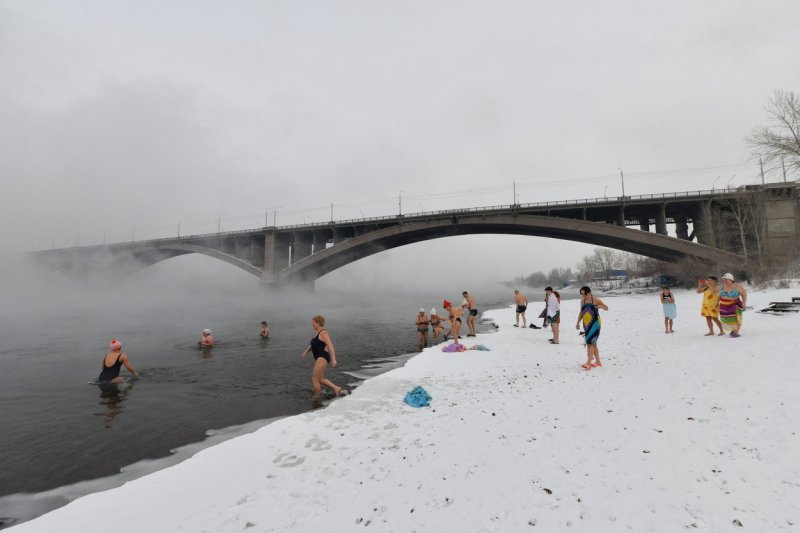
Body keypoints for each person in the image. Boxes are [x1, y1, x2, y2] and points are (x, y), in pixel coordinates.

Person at [300, 315, 344, 397]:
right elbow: (313, 345)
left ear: (318, 323)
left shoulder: (323, 332)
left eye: (313, 323)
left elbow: (330, 345)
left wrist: (334, 359)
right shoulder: (317, 333)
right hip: (319, 357)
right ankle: (337, 388)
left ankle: (317, 398)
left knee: (314, 379)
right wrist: (306, 352)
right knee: (320, 379)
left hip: (322, 357)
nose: (312, 325)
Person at [575, 286, 608, 370]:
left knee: (589, 343)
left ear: (589, 292)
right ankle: (598, 362)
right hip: (586, 324)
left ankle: (588, 363)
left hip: (595, 324)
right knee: (593, 343)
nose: (583, 295)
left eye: (584, 294)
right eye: (581, 294)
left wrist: (599, 306)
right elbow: (581, 313)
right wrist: (577, 322)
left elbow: (606, 308)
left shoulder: (596, 300)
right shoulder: (583, 300)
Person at [718, 272, 748, 337]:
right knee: (728, 319)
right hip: (724, 306)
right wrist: (716, 304)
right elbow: (719, 296)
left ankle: (736, 332)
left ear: (731, 280)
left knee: (737, 318)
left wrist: (744, 303)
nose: (725, 281)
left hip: (735, 305)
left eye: (726, 279)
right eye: (724, 279)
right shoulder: (722, 286)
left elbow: (744, 294)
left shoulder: (737, 286)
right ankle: (733, 329)